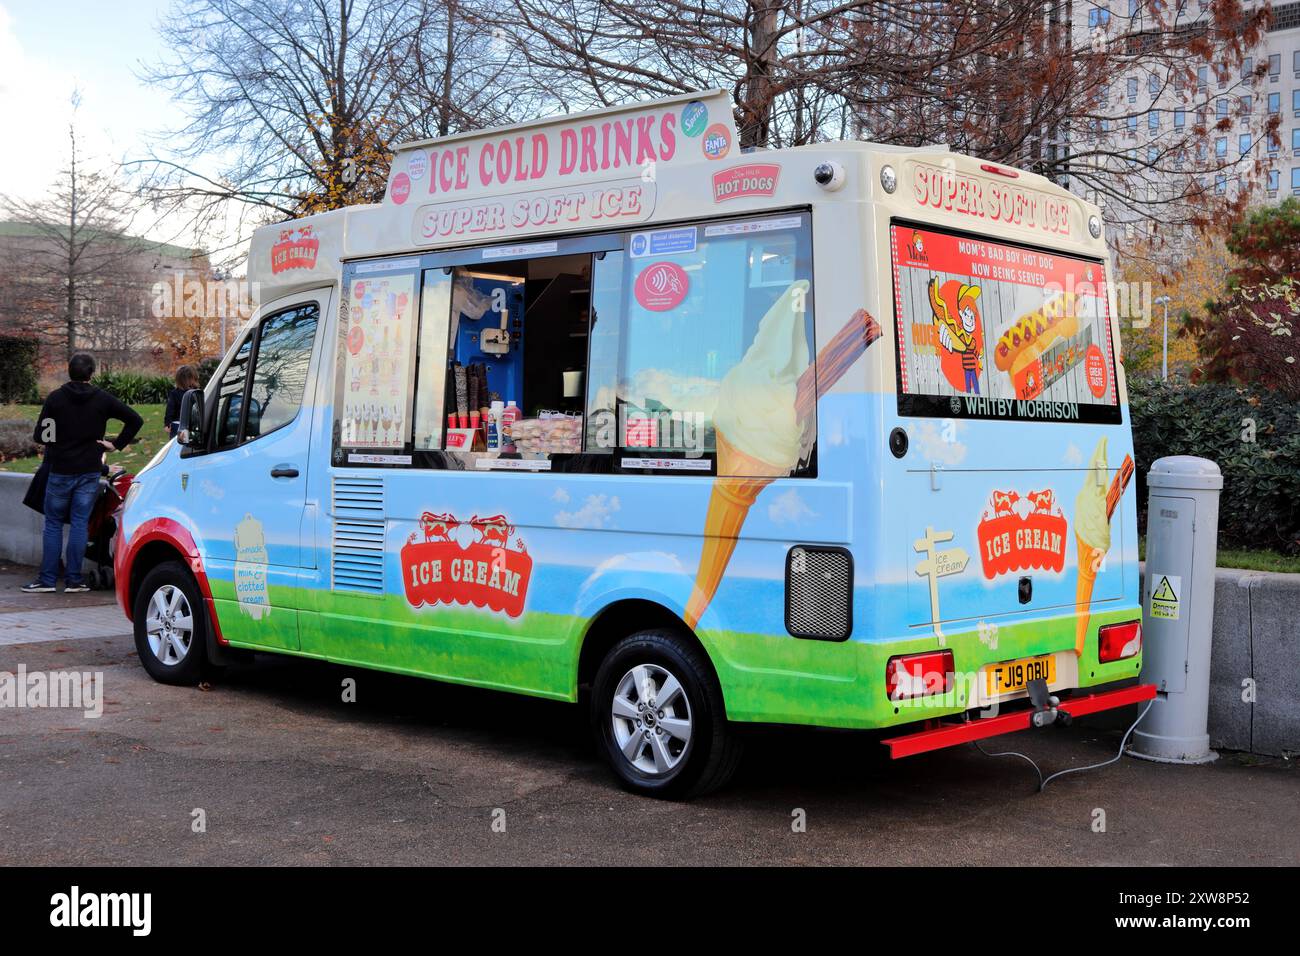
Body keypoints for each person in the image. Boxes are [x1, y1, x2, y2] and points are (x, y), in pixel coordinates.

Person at [22, 353, 143, 594]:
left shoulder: (56, 399)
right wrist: (115, 444)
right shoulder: (102, 399)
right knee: (79, 523)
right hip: (89, 470)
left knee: (53, 523)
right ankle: (74, 581)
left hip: (60, 470)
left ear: (69, 371)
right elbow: (135, 419)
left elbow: (40, 436)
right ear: (92, 373)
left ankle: (47, 580)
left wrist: (60, 440)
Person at [164, 364, 200, 438]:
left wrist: (167, 423)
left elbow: (169, 410)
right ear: (190, 379)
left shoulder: (175, 393)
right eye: (195, 379)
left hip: (181, 425)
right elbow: (170, 410)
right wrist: (167, 423)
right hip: (182, 425)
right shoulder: (195, 393)